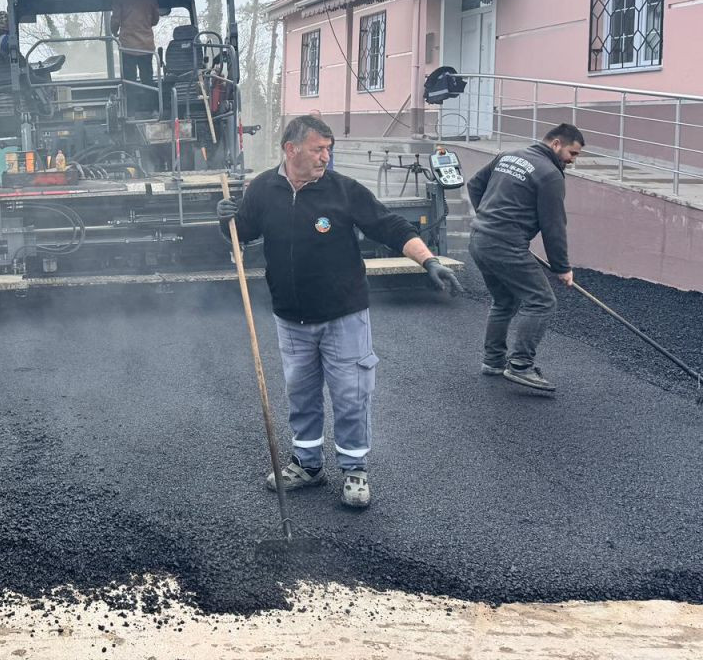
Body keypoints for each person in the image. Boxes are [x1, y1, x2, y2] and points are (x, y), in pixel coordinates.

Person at [217, 115, 461, 509]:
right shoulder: (263, 189)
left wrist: (428, 260)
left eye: (328, 150)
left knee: (351, 393)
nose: (325, 157)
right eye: (318, 149)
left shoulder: (343, 191)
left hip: (343, 315)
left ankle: (354, 469)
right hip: (291, 317)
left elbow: (390, 226)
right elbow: (240, 232)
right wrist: (224, 216)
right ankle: (308, 464)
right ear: (291, 149)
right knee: (302, 393)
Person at [466, 123, 585, 393]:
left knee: (505, 300)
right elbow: (554, 225)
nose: (572, 161)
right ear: (556, 144)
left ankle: (493, 361)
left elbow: (474, 185)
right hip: (503, 245)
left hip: (480, 240)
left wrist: (487, 220)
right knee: (542, 301)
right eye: (572, 153)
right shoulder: (549, 175)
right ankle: (520, 364)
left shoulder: (507, 156)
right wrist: (562, 267)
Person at [110, 0, 160, 88]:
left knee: (129, 80)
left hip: (128, 46)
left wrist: (114, 32)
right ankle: (150, 102)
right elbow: (155, 20)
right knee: (147, 80)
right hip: (146, 46)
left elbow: (115, 20)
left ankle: (131, 102)